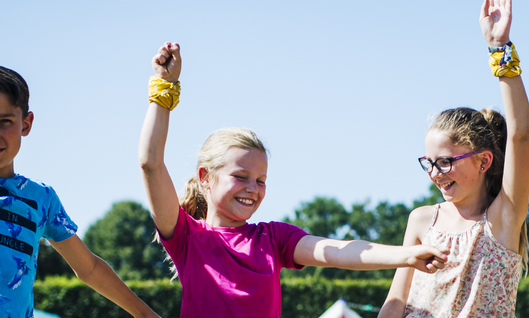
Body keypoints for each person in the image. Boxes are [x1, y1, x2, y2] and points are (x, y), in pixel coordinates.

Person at [138, 42, 449, 318]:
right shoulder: (187, 237)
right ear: (205, 177)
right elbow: (151, 164)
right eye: (241, 177)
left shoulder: (274, 239)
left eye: (261, 180)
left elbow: (339, 251)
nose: (252, 189)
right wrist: (163, 89)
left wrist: (406, 255)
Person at [377, 0, 529, 316]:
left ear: (483, 161)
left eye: (445, 161)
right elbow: (397, 298)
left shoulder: (503, 219)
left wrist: (499, 47)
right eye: (429, 163)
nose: (435, 173)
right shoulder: (422, 220)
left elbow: (521, 133)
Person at [0, 66, 160, 318]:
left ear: (26, 124)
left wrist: (146, 315)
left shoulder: (41, 199)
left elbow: (90, 268)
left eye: (4, 122)